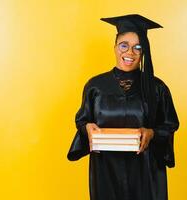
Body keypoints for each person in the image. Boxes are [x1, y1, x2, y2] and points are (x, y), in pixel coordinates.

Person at [67, 14, 179, 200]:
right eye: (124, 45)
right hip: (106, 170)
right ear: (115, 47)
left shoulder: (157, 88)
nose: (130, 53)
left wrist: (152, 133)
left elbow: (169, 125)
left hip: (145, 172)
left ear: (144, 51)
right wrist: (87, 127)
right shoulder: (96, 86)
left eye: (138, 47)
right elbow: (83, 120)